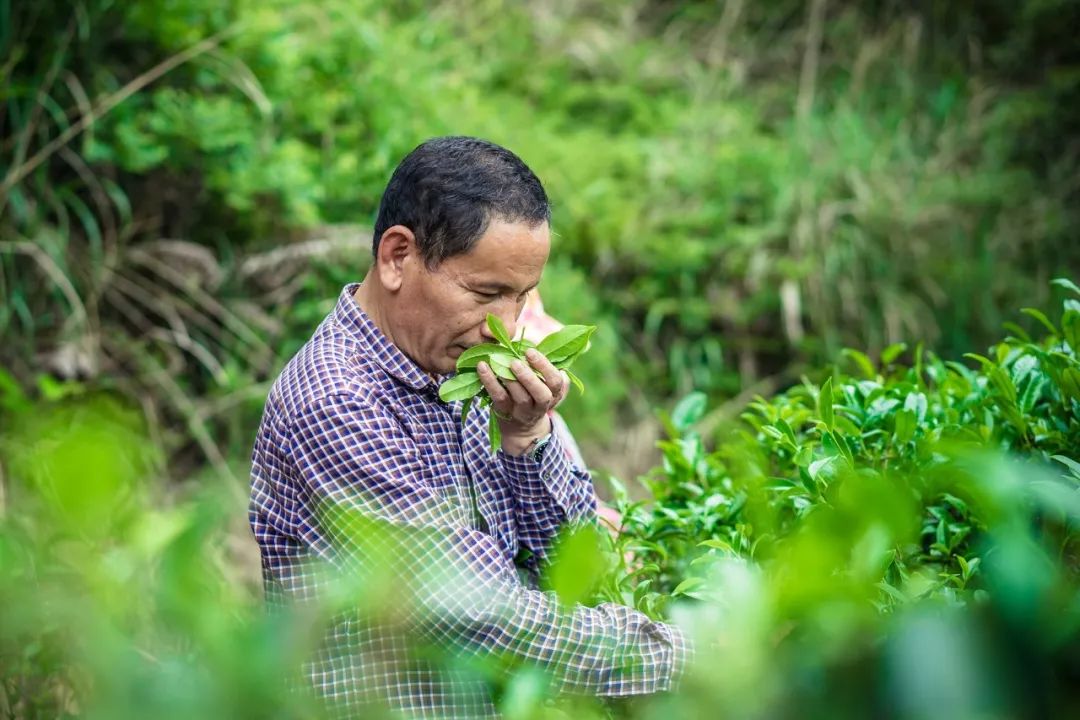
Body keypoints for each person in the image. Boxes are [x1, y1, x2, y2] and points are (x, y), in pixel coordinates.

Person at [248, 136, 688, 719]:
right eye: (486, 294)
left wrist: (527, 438)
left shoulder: (462, 374)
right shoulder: (337, 401)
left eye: (522, 298)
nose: (505, 327)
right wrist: (690, 657)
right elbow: (482, 618)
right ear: (398, 256)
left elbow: (575, 567)